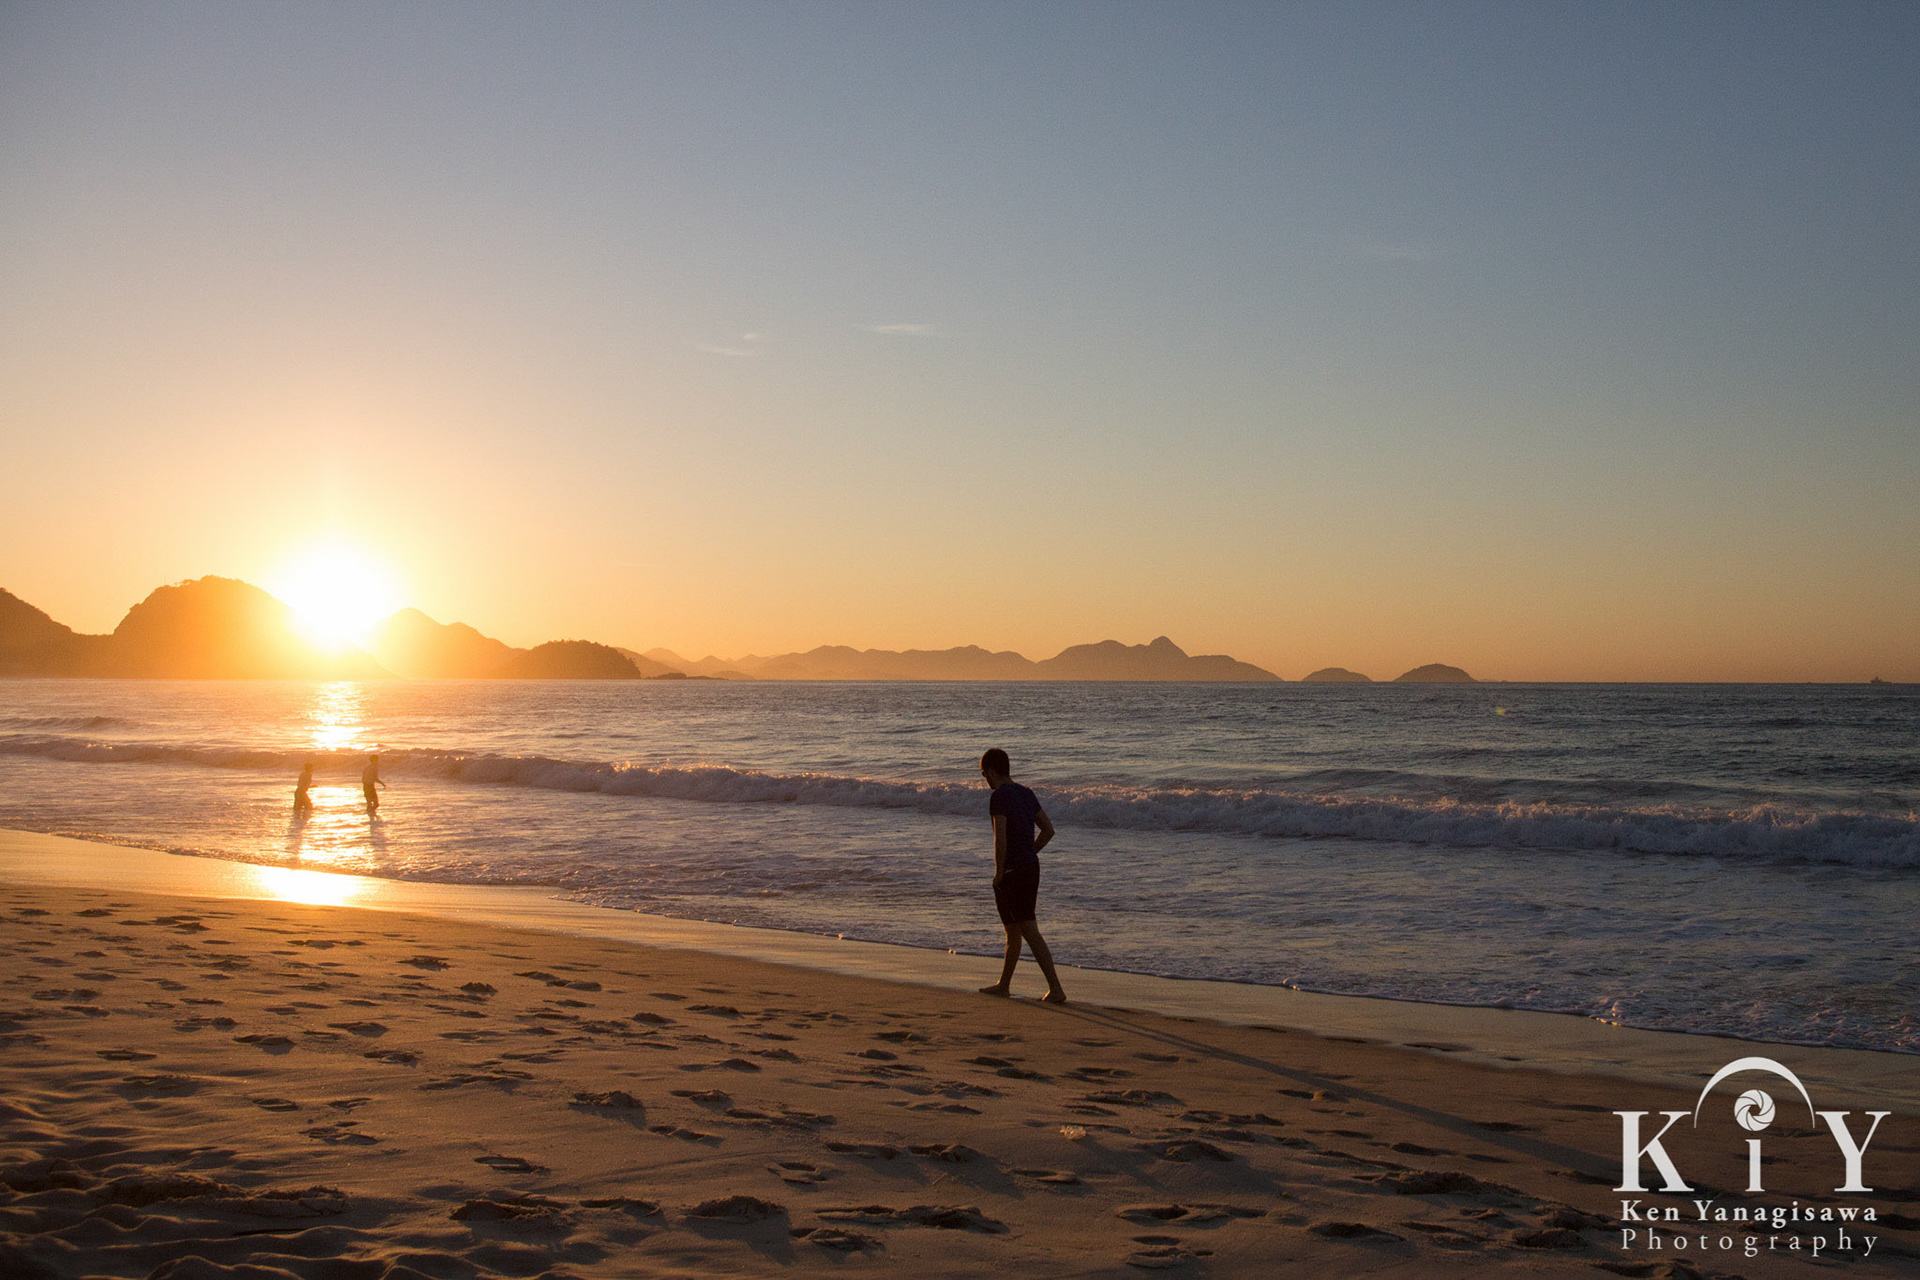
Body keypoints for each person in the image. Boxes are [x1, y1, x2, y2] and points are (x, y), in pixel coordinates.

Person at [976, 747, 1066, 1003]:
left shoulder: (999, 797)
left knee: (1028, 928)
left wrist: (999, 872)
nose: (985, 779)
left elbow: (1000, 838)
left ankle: (1056, 988)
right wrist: (1030, 852)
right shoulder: (1026, 793)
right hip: (1030, 867)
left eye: (984, 774)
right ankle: (1004, 985)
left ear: (992, 771)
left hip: (1013, 871)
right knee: (1013, 930)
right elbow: (1048, 830)